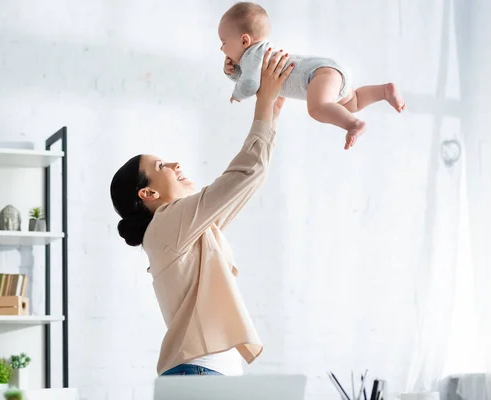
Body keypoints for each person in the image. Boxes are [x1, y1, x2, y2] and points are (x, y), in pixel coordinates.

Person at [110, 49, 294, 376]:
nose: (175, 164)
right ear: (148, 193)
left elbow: (251, 177)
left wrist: (272, 113)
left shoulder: (189, 228)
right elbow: (244, 174)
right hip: (200, 373)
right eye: (161, 166)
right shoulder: (167, 224)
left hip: (205, 373)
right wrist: (262, 105)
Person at [219, 1, 406, 150]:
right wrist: (233, 72)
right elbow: (252, 77)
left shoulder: (254, 54)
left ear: (245, 40)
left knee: (317, 108)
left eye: (224, 42)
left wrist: (237, 94)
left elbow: (250, 83)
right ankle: (383, 91)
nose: (222, 48)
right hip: (327, 72)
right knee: (353, 101)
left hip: (316, 75)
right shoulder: (257, 56)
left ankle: (353, 124)